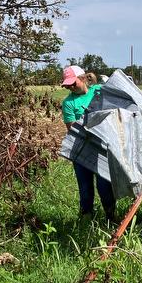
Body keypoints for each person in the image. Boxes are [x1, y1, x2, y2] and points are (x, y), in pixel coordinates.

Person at [61, 65, 116, 221]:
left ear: (83, 78)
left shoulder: (99, 91)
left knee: (105, 186)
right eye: (67, 85)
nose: (70, 87)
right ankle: (86, 218)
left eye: (73, 83)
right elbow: (73, 129)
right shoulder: (68, 103)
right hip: (82, 149)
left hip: (103, 148)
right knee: (85, 188)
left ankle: (111, 216)